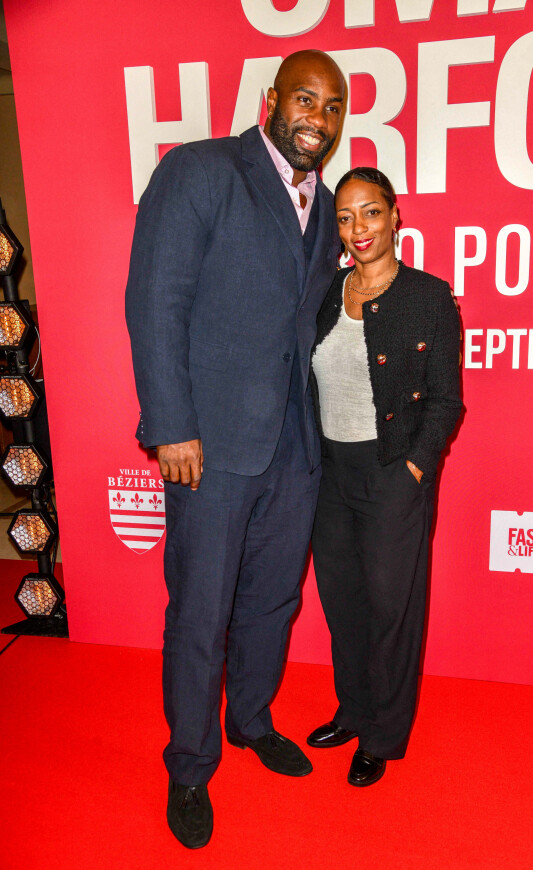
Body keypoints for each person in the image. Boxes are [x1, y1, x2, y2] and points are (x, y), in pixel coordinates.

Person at [125, 51, 345, 848]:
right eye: (305, 100)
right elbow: (155, 298)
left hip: (293, 446)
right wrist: (171, 424)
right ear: (271, 100)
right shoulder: (200, 170)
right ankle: (190, 764)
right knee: (201, 612)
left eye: (332, 106)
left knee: (273, 602)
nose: (316, 118)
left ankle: (251, 719)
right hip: (209, 446)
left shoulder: (324, 206)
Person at [307, 167, 463, 787]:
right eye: (345, 218)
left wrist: (414, 469)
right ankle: (354, 708)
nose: (357, 228)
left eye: (370, 213)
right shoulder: (327, 295)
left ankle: (384, 733)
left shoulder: (428, 297)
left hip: (391, 470)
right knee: (343, 602)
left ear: (395, 215)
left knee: (391, 608)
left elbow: (446, 402)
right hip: (328, 476)